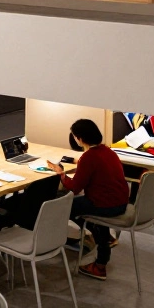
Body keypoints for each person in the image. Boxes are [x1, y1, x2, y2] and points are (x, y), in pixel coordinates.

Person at [45, 118, 130, 281]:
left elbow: (74, 188)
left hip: (105, 205)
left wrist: (61, 174)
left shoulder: (88, 158)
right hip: (120, 201)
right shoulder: (108, 152)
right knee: (76, 206)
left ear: (80, 138)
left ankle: (100, 260)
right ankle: (101, 235)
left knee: (62, 207)